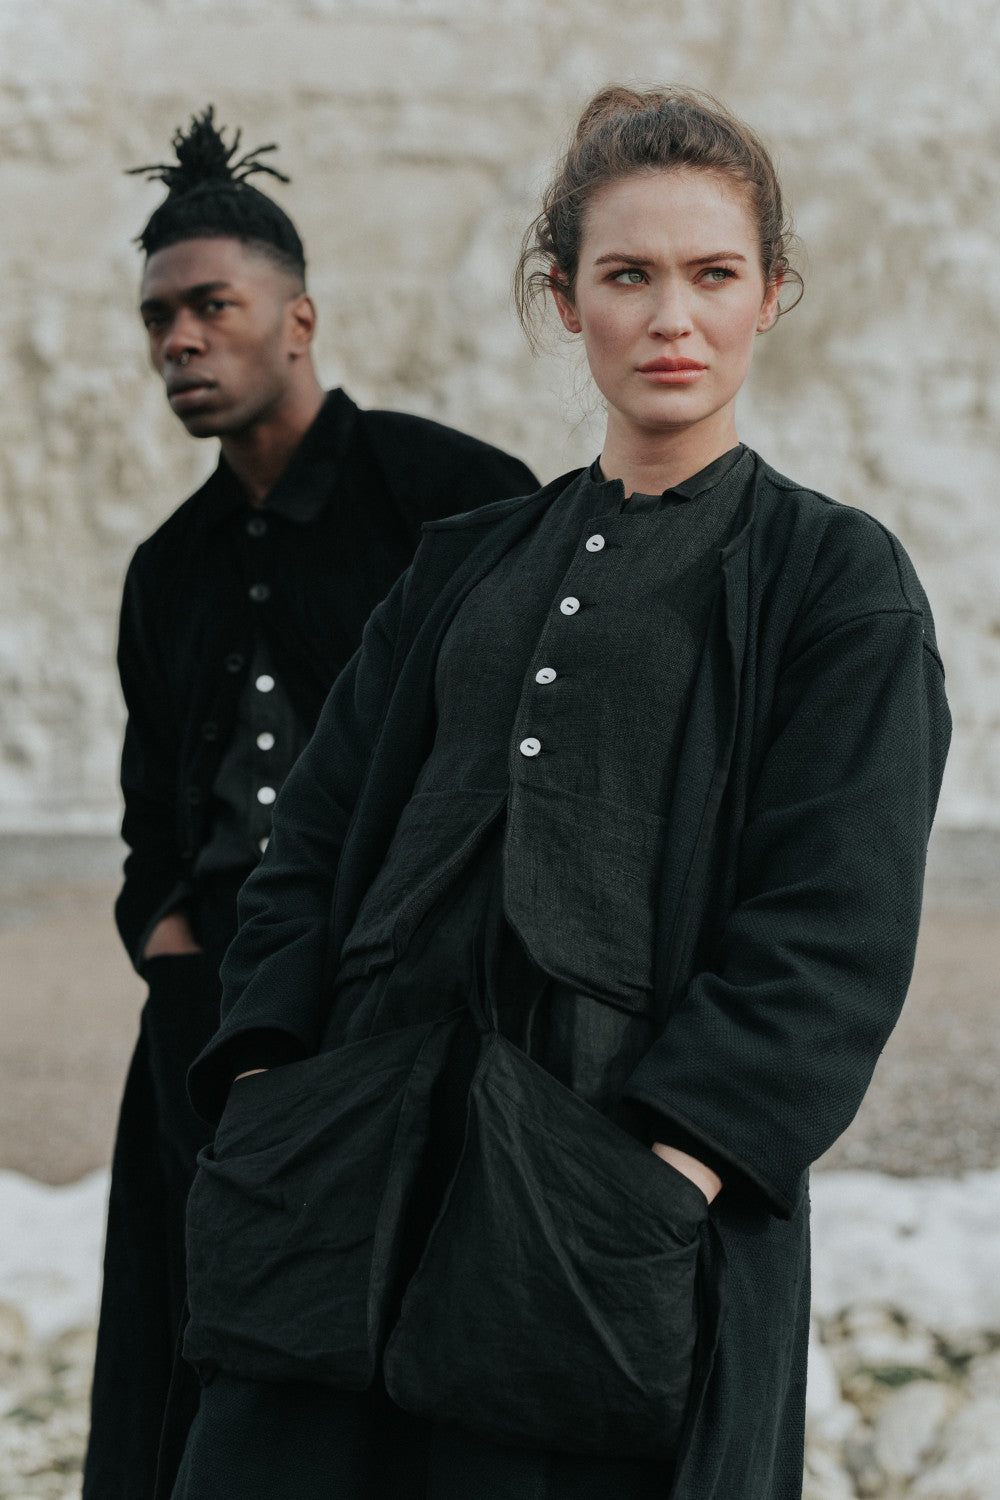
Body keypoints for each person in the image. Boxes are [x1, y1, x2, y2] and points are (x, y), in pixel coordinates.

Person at [168, 87, 950, 1499]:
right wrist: (275, 1080)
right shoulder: (463, 560)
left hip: (608, 1185)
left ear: (772, 295)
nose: (672, 316)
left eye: (713, 274)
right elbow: (317, 840)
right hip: (350, 1160)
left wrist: (675, 1170)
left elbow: (834, 924)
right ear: (563, 297)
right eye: (627, 275)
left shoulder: (836, 580)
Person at [83, 107, 537, 1500]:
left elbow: (531, 755)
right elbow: (152, 806)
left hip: (402, 1018)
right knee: (203, 1370)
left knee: (404, 1376)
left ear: (300, 318)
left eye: (213, 307)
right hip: (210, 1023)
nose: (180, 342)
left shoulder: (455, 501)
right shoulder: (168, 567)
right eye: (159, 317)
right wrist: (166, 938)